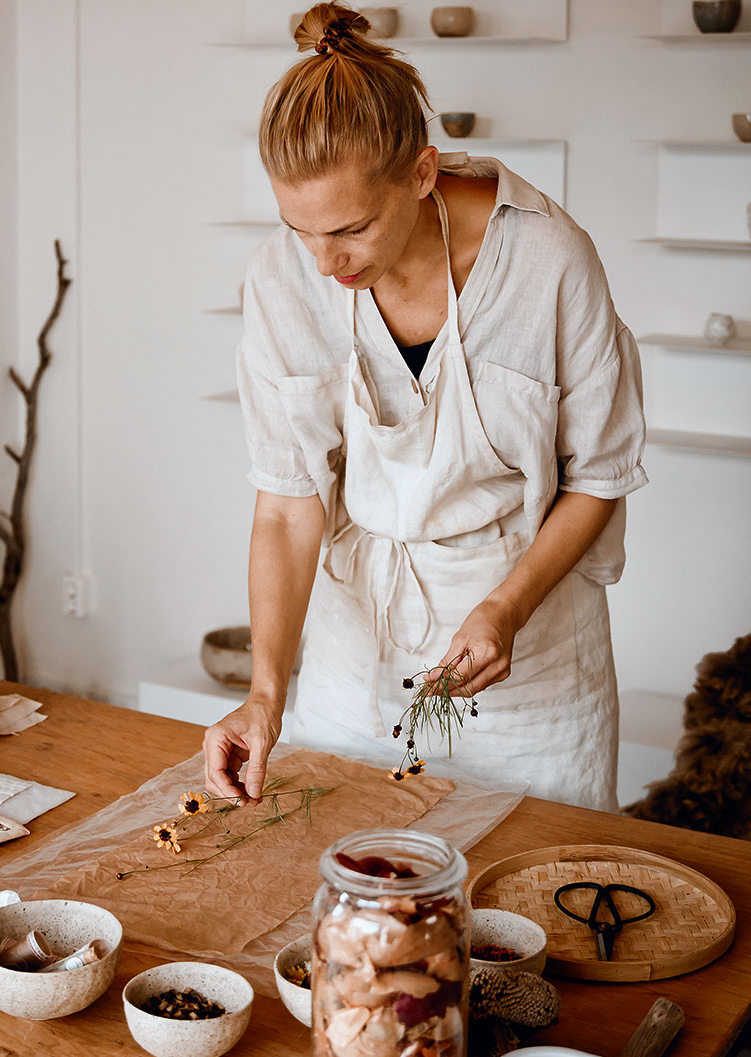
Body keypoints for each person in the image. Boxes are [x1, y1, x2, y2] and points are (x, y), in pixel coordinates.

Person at [203, 2, 647, 812]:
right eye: (300, 230)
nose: (324, 260)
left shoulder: (549, 261)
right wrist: (267, 689)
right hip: (355, 662)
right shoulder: (282, 277)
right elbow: (286, 506)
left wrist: (504, 610)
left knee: (526, 904)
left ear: (421, 172)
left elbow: (600, 476)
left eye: (352, 229)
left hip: (531, 668)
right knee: (352, 902)